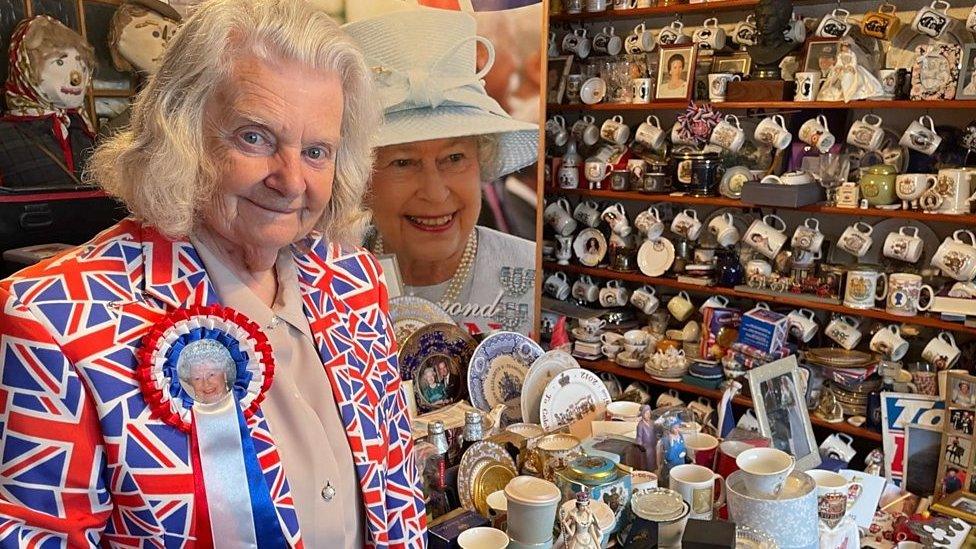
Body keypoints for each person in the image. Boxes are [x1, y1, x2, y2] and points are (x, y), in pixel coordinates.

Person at [0, 1, 425, 547]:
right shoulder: (51, 324)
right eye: (255, 138)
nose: (292, 181)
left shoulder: (355, 281)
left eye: (317, 150)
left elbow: (397, 493)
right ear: (181, 131)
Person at [344, 9, 538, 336]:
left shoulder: (535, 275)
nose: (435, 192)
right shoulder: (331, 281)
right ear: (363, 178)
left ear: (482, 161)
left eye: (454, 157)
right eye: (403, 162)